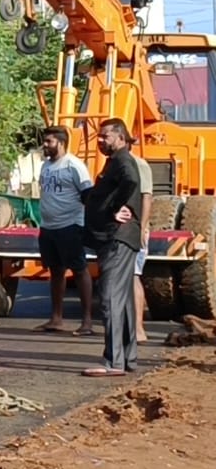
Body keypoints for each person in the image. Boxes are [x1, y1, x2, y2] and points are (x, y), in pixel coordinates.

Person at [82, 118, 142, 377]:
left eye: (105, 136)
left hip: (117, 238)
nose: (100, 141)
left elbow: (130, 182)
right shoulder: (115, 161)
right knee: (123, 299)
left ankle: (114, 361)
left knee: (109, 298)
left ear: (119, 137)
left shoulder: (123, 161)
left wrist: (116, 207)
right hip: (116, 237)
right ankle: (128, 358)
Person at [33, 126, 95, 335]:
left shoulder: (74, 166)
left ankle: (87, 321)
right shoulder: (45, 167)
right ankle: (56, 318)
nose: (45, 145)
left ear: (61, 143)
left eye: (49, 141)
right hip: (48, 227)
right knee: (55, 271)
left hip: (70, 225)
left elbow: (88, 195)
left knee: (79, 269)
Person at [125, 135, 154, 345]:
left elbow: (146, 196)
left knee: (133, 276)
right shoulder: (110, 166)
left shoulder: (139, 164)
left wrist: (141, 228)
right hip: (116, 231)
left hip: (133, 229)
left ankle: (138, 329)